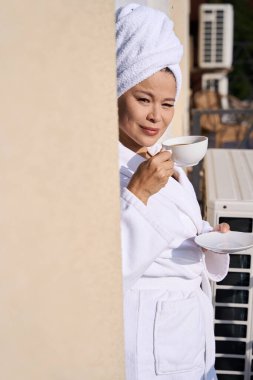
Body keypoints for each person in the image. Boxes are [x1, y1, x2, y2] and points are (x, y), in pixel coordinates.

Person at [116, 4, 230, 380]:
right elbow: (106, 272)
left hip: (190, 334)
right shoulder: (107, 167)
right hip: (150, 346)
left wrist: (209, 240)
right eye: (143, 99)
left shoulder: (165, 163)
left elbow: (180, 240)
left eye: (167, 104)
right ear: (116, 91)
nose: (157, 117)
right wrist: (137, 194)